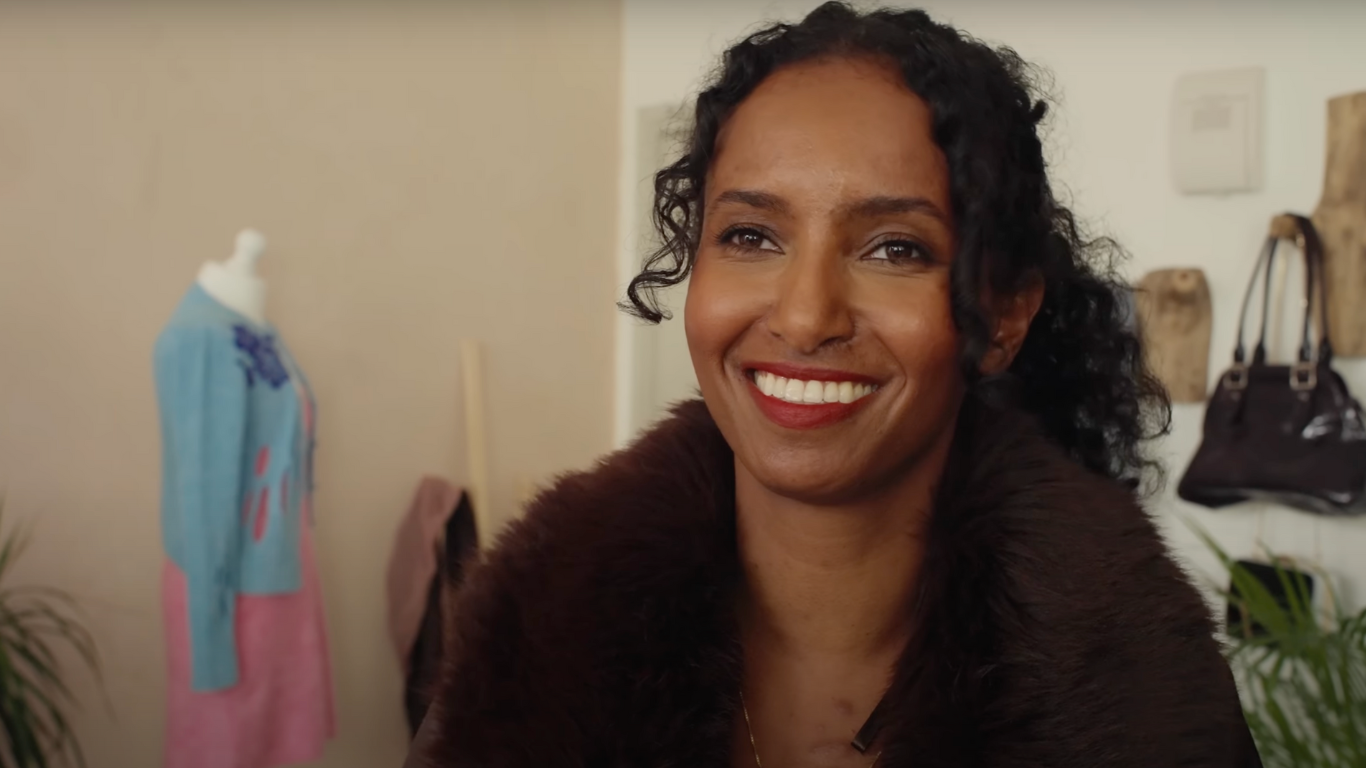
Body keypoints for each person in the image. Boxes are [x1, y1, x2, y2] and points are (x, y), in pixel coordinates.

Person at [405, 4, 1260, 766]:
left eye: (895, 247)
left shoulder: (1139, 686)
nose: (807, 316)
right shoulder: (532, 637)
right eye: (750, 236)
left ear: (1001, 316)